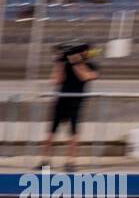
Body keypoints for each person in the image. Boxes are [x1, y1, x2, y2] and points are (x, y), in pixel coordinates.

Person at [39, 41, 99, 171]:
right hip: (61, 100)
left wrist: (77, 63)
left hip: (76, 101)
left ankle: (70, 162)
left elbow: (85, 77)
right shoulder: (65, 65)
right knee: (51, 132)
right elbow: (55, 81)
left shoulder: (91, 65)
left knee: (73, 133)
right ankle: (45, 161)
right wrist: (59, 63)